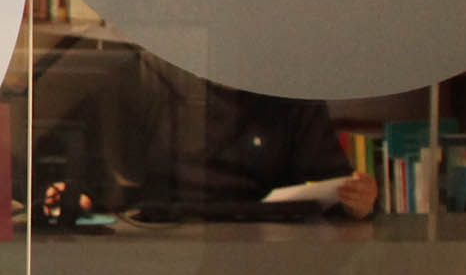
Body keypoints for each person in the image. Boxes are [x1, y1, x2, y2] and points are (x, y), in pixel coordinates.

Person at [121, 50, 378, 218]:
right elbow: (118, 179)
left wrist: (357, 202)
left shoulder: (293, 94)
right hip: (170, 237)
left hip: (269, 242)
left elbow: (332, 186)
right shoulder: (155, 78)